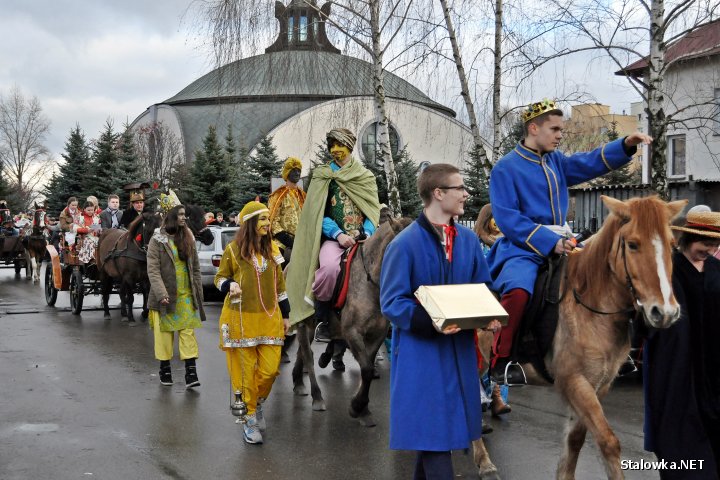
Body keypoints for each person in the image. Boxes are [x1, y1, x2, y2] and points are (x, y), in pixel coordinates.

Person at [486, 98, 653, 385]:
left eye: (560, 129)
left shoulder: (557, 162)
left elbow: (588, 163)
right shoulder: (506, 168)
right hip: (523, 248)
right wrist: (549, 241)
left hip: (565, 240)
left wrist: (624, 145)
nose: (560, 134)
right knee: (519, 291)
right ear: (534, 128)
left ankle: (617, 350)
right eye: (555, 129)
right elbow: (507, 218)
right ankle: (504, 359)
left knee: (608, 272)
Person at [380, 163, 496, 479]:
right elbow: (391, 302)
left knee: (436, 439)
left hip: (459, 354)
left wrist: (488, 317)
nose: (466, 194)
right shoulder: (403, 245)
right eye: (459, 188)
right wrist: (431, 322)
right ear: (438, 193)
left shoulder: (470, 241)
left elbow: (480, 289)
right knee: (433, 438)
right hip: (422, 357)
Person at [643, 210, 720, 479]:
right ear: (688, 238)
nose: (710, 250)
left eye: (715, 244)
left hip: (712, 365)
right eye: (705, 244)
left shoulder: (715, 268)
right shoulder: (667, 269)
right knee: (679, 439)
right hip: (676, 364)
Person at [286, 128, 380, 343]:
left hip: (364, 238)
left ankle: (386, 321)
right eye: (332, 146)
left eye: (340, 145)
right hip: (334, 240)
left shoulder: (365, 177)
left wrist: (365, 231)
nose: (336, 150)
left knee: (385, 267)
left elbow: (372, 211)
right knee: (328, 269)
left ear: (349, 146)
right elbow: (318, 213)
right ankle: (324, 319)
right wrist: (337, 234)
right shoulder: (322, 176)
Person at [214, 201, 290, 444]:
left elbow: (280, 288)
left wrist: (286, 316)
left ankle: (255, 402)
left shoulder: (274, 250)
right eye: (263, 220)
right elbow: (219, 277)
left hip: (269, 318)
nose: (268, 224)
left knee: (270, 370)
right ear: (249, 224)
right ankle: (248, 418)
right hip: (240, 319)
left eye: (268, 219)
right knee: (245, 373)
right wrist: (229, 285)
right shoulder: (233, 250)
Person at [146, 205, 205, 389]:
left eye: (185, 215)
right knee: (164, 334)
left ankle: (191, 373)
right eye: (180, 214)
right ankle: (165, 369)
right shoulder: (158, 240)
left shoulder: (188, 237)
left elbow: (195, 268)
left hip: (186, 295)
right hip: (165, 296)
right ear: (171, 216)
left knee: (188, 332)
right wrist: (161, 293)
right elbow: (153, 270)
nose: (184, 218)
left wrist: (198, 292)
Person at [473, 203, 512, 417]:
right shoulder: (477, 244)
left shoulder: (507, 244)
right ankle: (480, 397)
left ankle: (497, 395)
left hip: (501, 298)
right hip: (481, 299)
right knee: (481, 348)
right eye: (494, 221)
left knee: (499, 347)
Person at [268, 156, 307, 362]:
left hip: (302, 246)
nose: (297, 174)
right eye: (293, 171)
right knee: (281, 291)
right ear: (286, 174)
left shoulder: (302, 195)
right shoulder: (278, 195)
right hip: (283, 246)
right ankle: (279, 341)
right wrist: (288, 239)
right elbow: (272, 222)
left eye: (299, 171)